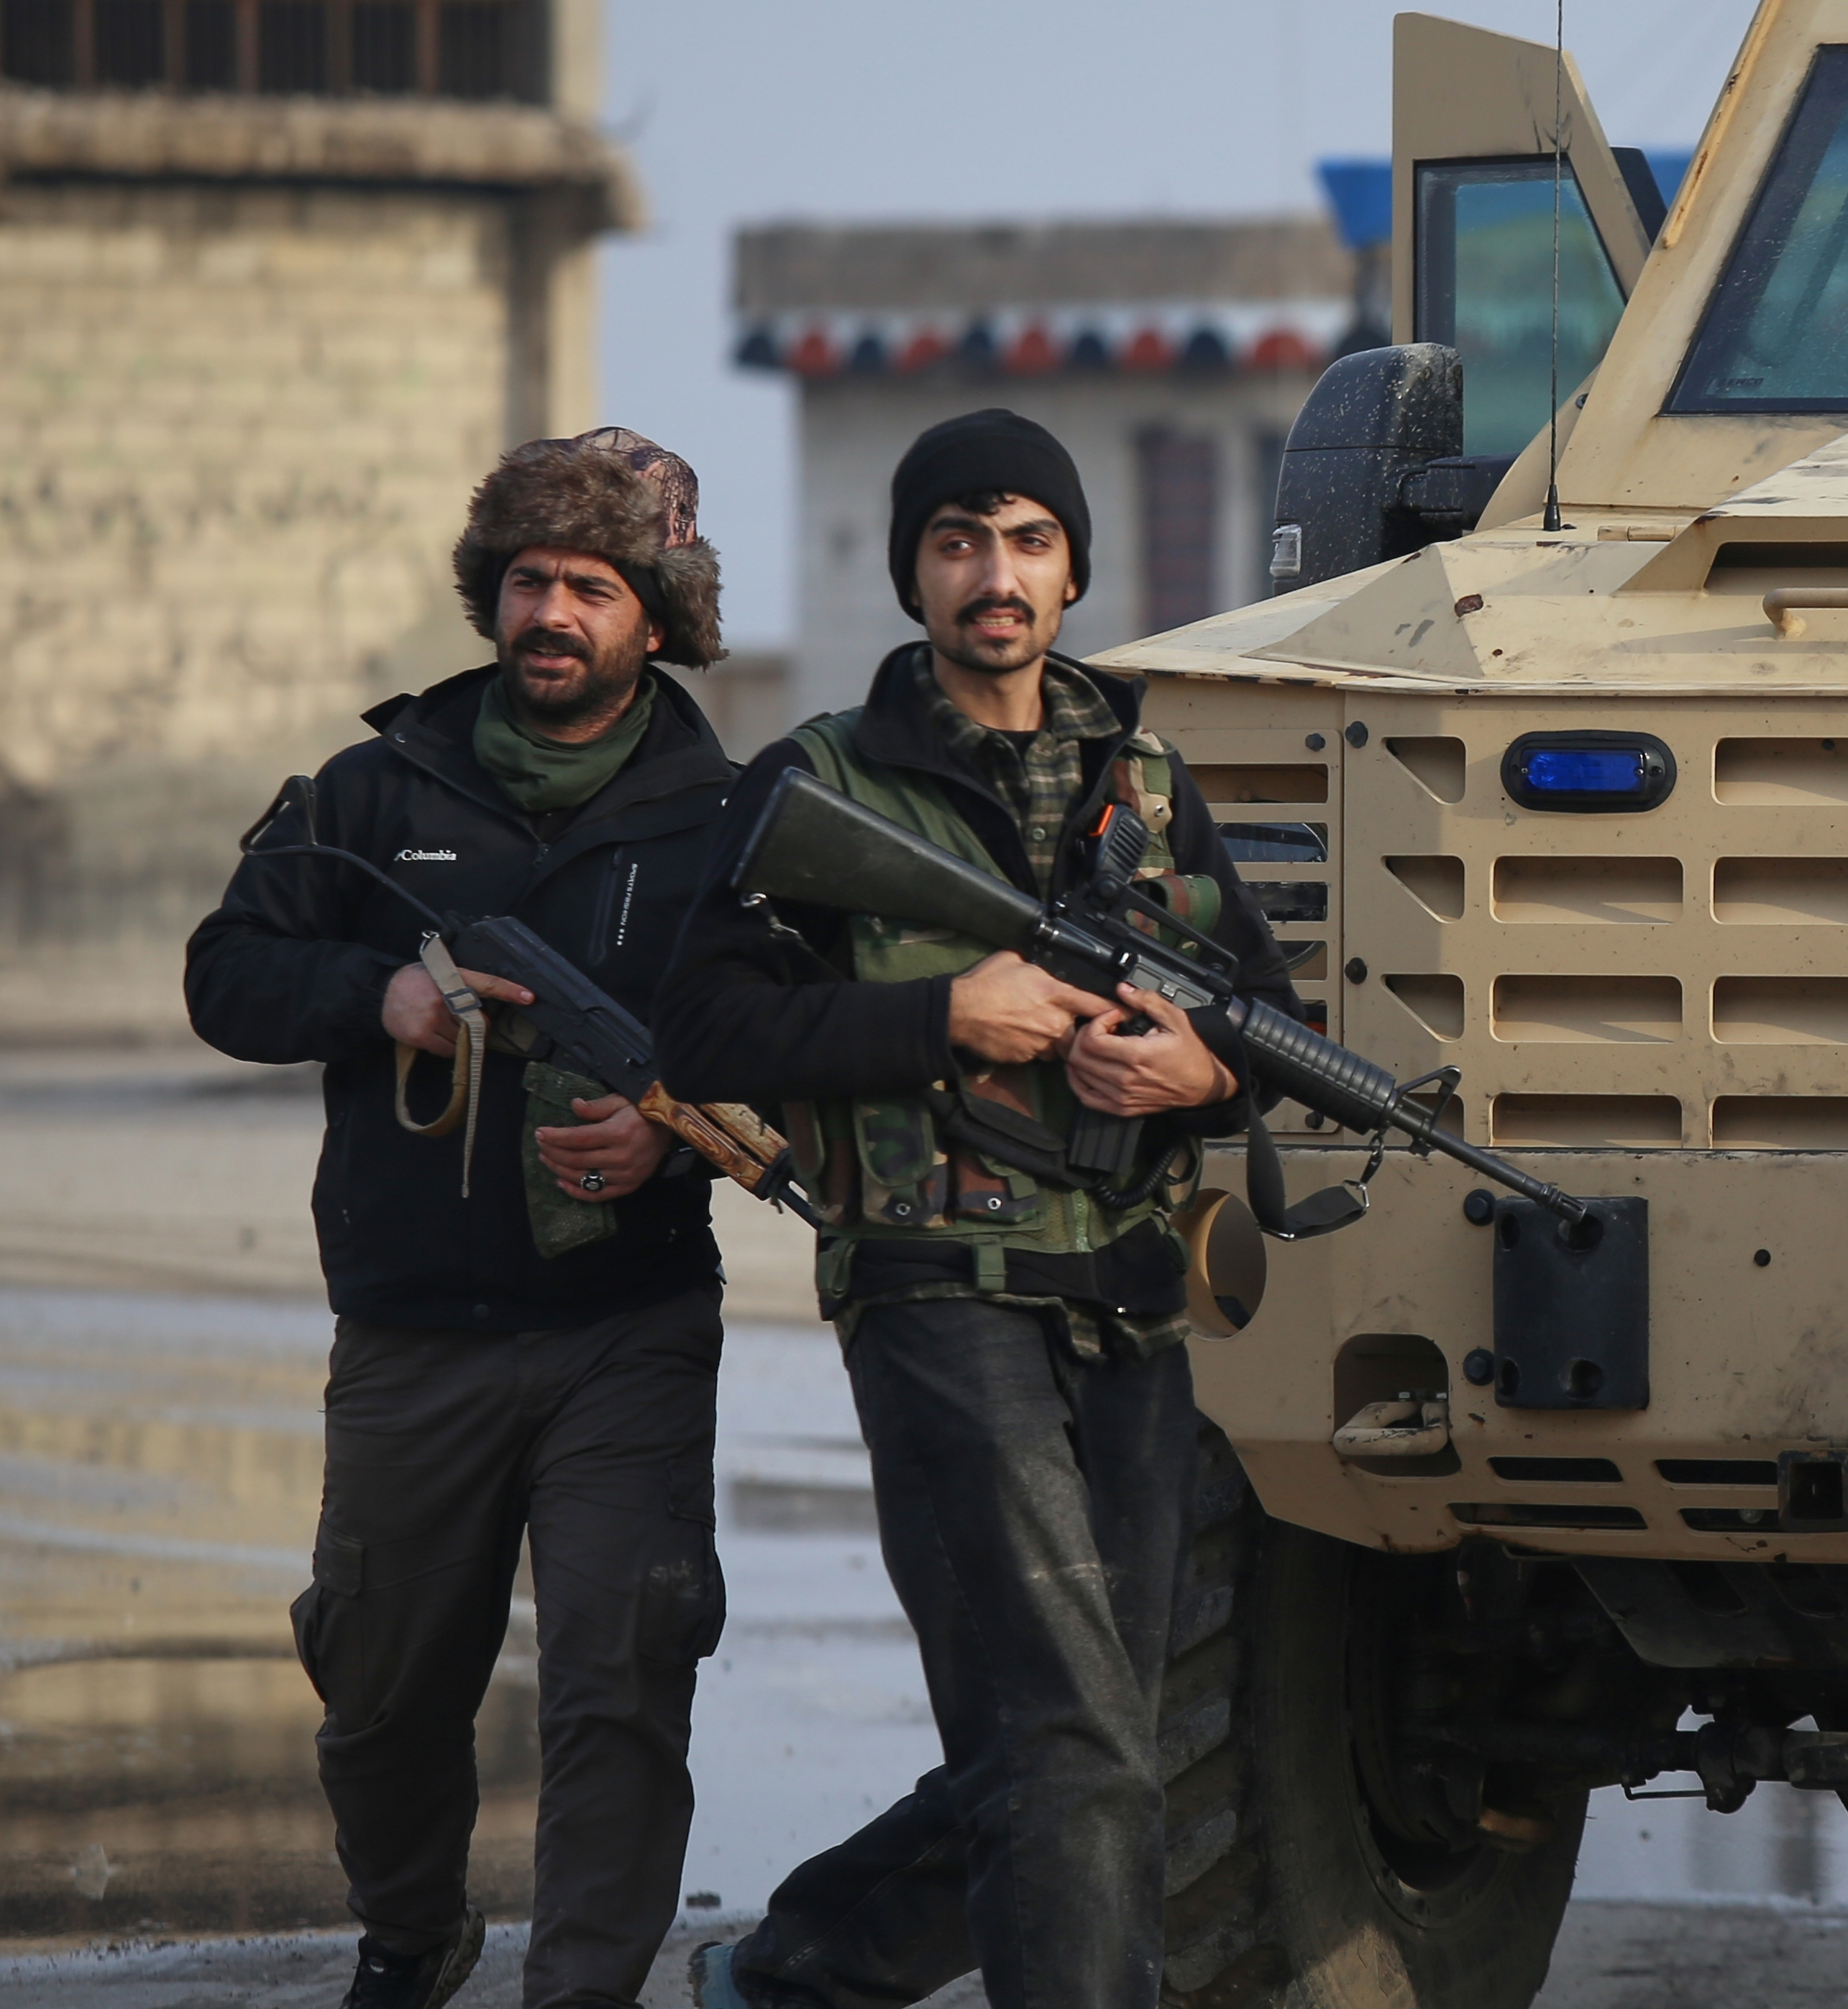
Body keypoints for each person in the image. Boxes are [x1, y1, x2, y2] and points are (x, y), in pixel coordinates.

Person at [654, 409, 1296, 2009]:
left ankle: (795, 1973)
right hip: (937, 1288)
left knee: (1091, 1737)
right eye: (957, 542)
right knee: (1071, 1739)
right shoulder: (823, 780)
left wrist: (1202, 1074)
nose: (993, 575)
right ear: (912, 576)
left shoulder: (1149, 783)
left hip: (1129, 1302)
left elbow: (1262, 1018)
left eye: (1026, 541)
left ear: (1073, 572)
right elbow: (702, 1029)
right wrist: (941, 1015)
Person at [186, 430, 738, 2009]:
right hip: (412, 1323)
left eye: (592, 585)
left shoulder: (728, 818)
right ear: (489, 592)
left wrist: (673, 1130)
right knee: (379, 1680)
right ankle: (412, 1929)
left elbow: (784, 1034)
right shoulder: (374, 788)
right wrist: (385, 996)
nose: (551, 611)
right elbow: (226, 974)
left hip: (627, 1325)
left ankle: (582, 1988)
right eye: (528, 578)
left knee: (621, 1672)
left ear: (658, 617)